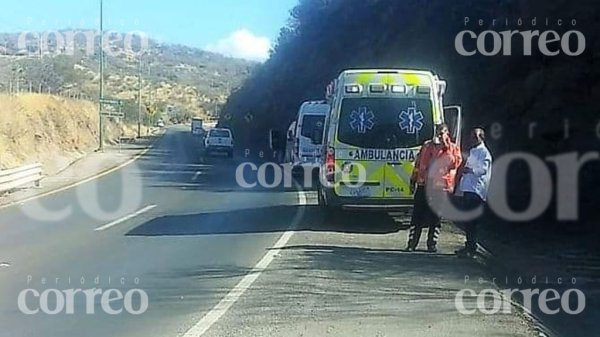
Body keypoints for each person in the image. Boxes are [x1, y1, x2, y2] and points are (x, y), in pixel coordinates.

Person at [406, 123, 462, 253]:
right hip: (424, 184)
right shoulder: (426, 146)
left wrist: (446, 146)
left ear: (447, 134)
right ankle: (412, 243)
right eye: (438, 132)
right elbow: (418, 164)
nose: (439, 135)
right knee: (417, 216)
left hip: (440, 187)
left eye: (442, 133)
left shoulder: (453, 148)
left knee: (435, 217)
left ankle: (432, 244)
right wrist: (413, 180)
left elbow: (454, 164)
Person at [455, 127, 493, 258]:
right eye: (471, 136)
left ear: (481, 138)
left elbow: (483, 169)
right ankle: (469, 245)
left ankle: (472, 247)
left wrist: (470, 170)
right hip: (468, 188)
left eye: (475, 137)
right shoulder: (473, 151)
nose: (472, 139)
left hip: (476, 190)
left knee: (472, 220)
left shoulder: (484, 153)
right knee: (468, 220)